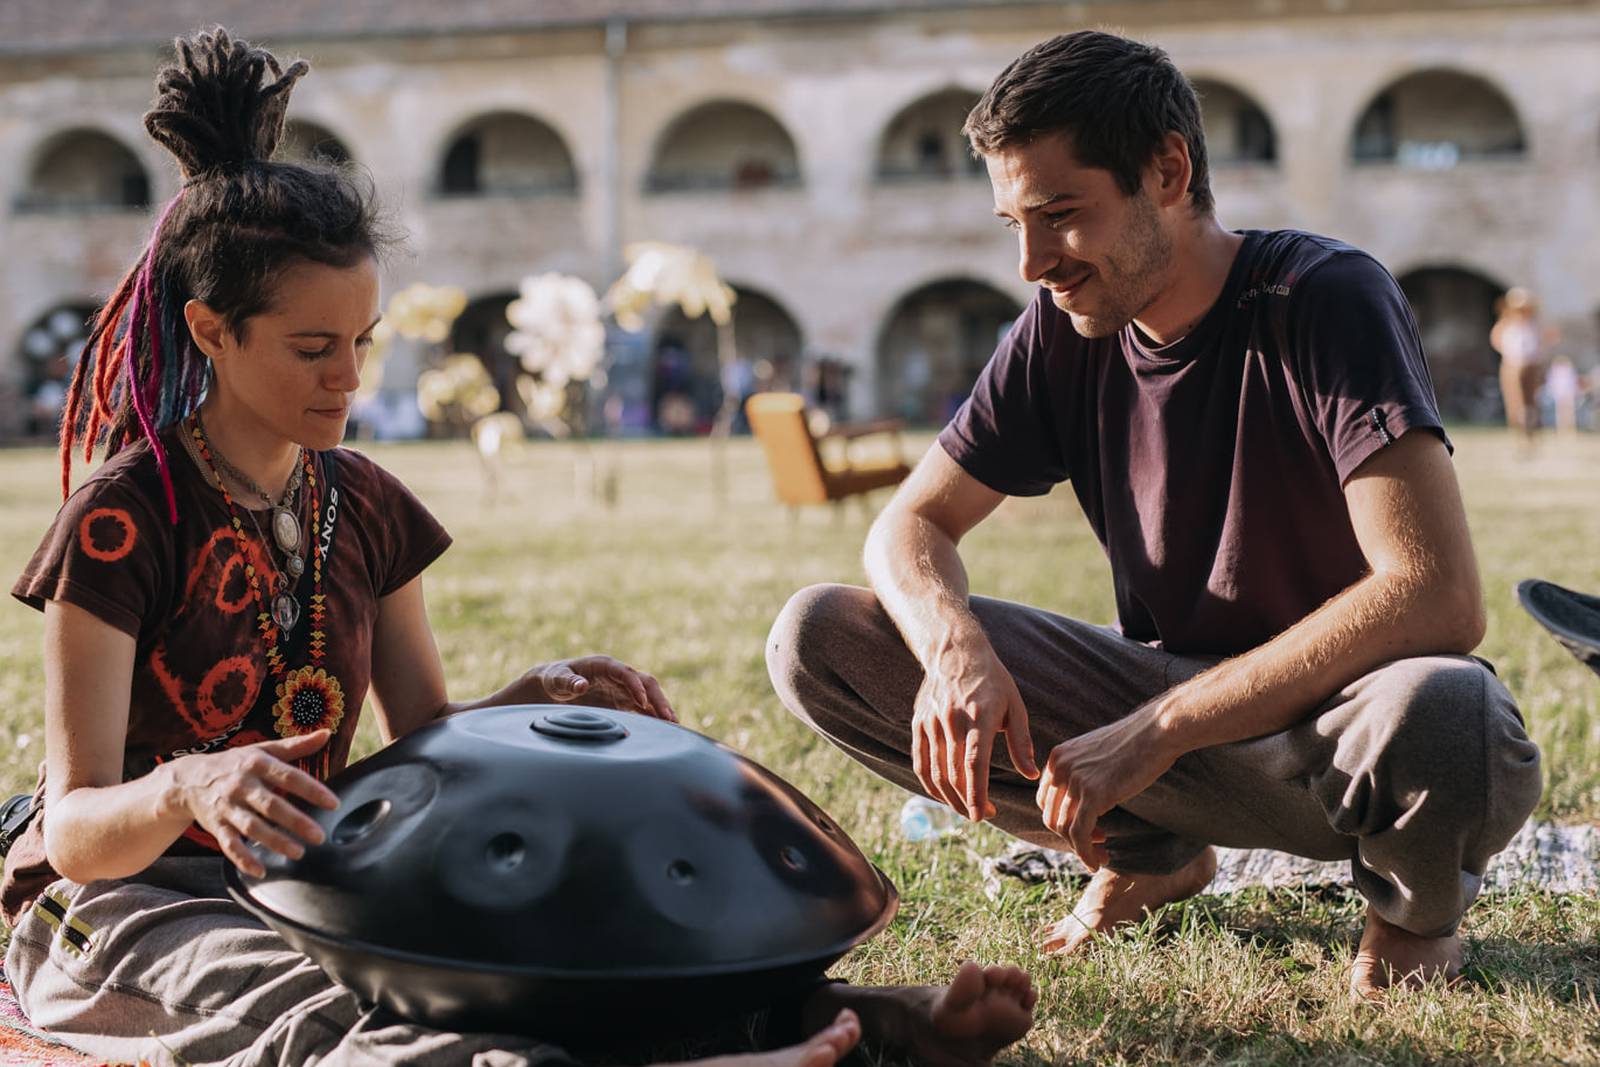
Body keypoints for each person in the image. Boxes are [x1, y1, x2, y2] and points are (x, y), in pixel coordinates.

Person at [0, 29, 1037, 1067]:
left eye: (361, 343)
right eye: (312, 349)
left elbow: (425, 737)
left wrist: (530, 701)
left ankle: (833, 1020)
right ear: (211, 331)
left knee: (533, 953)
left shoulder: (361, 503)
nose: (348, 379)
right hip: (125, 905)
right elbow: (79, 820)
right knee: (313, 1016)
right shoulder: (122, 519)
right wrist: (190, 788)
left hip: (305, 877)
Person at [767, 30, 1542, 1002]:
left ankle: (1410, 910)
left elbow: (1435, 594)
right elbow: (908, 525)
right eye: (1014, 220)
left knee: (1451, 711)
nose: (1031, 260)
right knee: (820, 636)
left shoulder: (1322, 297)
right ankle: (1143, 846)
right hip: (1149, 707)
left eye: (1059, 214)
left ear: (1167, 170)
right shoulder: (1060, 327)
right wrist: (955, 646)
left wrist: (1156, 729)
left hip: (1328, 728)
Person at [1489, 286, 1549, 443]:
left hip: (1530, 365)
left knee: (1531, 400)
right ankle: (1519, 432)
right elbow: (1497, 340)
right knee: (1515, 401)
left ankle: (1532, 432)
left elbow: (1540, 344)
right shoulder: (1506, 325)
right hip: (1513, 366)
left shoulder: (1533, 326)